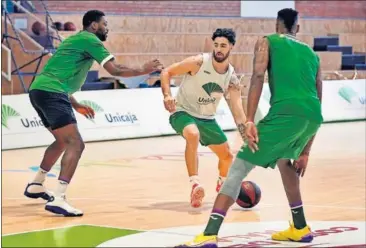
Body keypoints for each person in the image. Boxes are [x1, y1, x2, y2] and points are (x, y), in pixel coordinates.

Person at [177, 8, 323, 247]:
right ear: (297, 28)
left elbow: (257, 76)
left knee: (237, 170)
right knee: (286, 163)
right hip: (311, 117)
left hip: (284, 114)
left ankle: (209, 234)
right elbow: (318, 98)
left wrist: (250, 121)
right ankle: (300, 227)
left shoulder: (267, 41)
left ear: (277, 25)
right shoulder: (311, 54)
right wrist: (306, 150)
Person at [23, 10, 162, 217]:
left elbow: (57, 75)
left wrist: (76, 103)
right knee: (75, 144)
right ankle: (59, 199)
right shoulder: (90, 39)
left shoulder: (76, 41)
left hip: (39, 90)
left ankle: (37, 183)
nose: (107, 27)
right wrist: (144, 69)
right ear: (94, 25)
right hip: (52, 92)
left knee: (62, 141)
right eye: (104, 24)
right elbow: (115, 70)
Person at [161, 28, 247, 208]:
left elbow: (237, 111)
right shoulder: (198, 62)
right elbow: (167, 72)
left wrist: (246, 132)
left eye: (223, 45)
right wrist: (167, 95)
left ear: (231, 47)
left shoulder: (231, 77)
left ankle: (222, 184)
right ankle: (195, 184)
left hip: (207, 118)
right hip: (182, 111)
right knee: (192, 134)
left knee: (227, 156)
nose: (219, 49)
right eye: (216, 45)